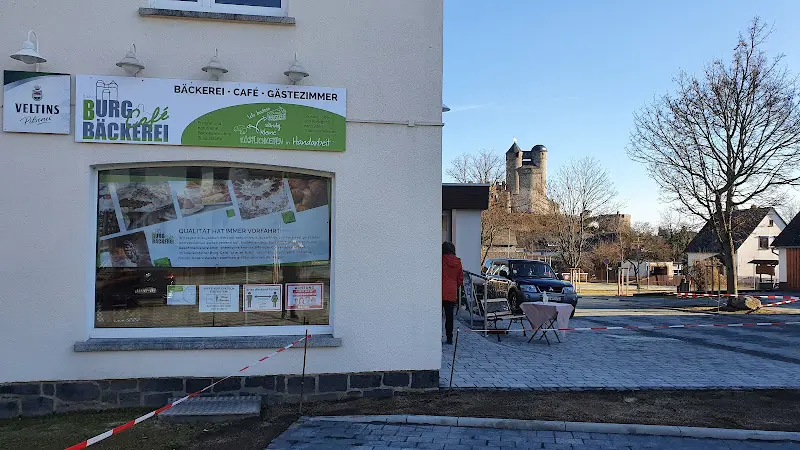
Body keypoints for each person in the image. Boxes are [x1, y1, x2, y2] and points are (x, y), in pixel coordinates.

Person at [442, 241, 463, 345]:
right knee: (449, 316)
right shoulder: (457, 262)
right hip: (451, 292)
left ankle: (435, 336)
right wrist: (454, 286)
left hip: (439, 291)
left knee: (437, 316)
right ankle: (449, 338)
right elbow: (460, 279)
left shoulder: (440, 260)